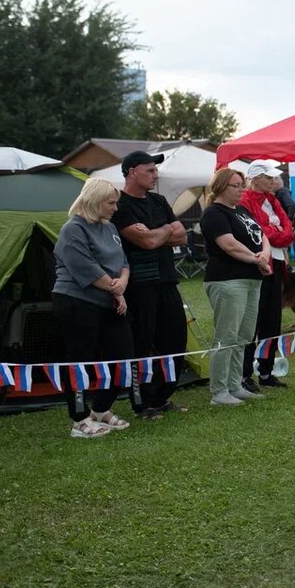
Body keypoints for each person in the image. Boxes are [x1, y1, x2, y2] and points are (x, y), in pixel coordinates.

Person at [110, 150, 189, 422]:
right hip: (139, 284)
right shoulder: (119, 204)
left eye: (156, 171)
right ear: (132, 171)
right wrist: (166, 231)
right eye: (150, 170)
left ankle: (162, 396)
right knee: (143, 343)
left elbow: (182, 236)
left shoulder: (158, 200)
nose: (155, 175)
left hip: (167, 279)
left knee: (175, 337)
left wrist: (158, 232)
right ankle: (142, 402)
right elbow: (146, 242)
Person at [52, 178, 134, 437]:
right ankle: (79, 419)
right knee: (80, 358)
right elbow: (84, 267)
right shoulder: (72, 229)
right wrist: (115, 289)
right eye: (111, 203)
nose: (115, 208)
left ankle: (100, 409)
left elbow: (123, 261)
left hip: (108, 299)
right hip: (76, 300)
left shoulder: (109, 228)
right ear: (95, 201)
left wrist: (121, 285)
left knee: (122, 354)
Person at [200, 168, 272, 406]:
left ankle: (235, 384)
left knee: (244, 335)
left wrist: (263, 255)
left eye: (242, 184)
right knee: (226, 335)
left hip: (252, 279)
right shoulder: (213, 214)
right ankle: (219, 391)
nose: (242, 189)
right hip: (227, 280)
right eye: (237, 185)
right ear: (221, 187)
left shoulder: (241, 210)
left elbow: (262, 236)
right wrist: (257, 259)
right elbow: (229, 245)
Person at [239, 160, 295, 391]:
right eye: (268, 177)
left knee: (273, 320)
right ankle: (244, 374)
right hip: (261, 265)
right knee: (254, 320)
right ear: (256, 178)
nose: (272, 181)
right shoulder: (246, 201)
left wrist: (281, 234)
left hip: (278, 264)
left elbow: (288, 228)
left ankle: (266, 369)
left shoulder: (273, 200)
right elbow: (260, 230)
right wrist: (279, 234)